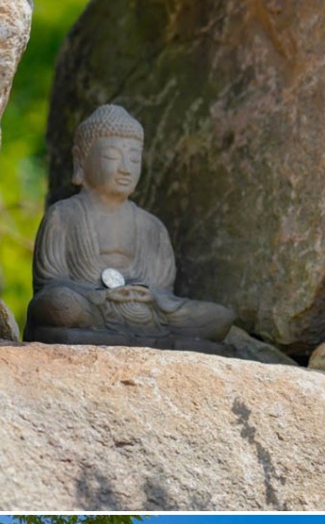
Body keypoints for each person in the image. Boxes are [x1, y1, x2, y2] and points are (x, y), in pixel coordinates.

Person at [25, 104, 234, 349]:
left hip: (146, 312)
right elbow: (49, 282)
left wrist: (149, 295)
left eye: (134, 158)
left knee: (220, 317)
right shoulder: (63, 215)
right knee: (58, 303)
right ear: (81, 159)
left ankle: (124, 332)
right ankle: (120, 330)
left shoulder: (152, 226)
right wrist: (99, 296)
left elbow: (164, 290)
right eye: (112, 156)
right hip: (90, 305)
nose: (125, 168)